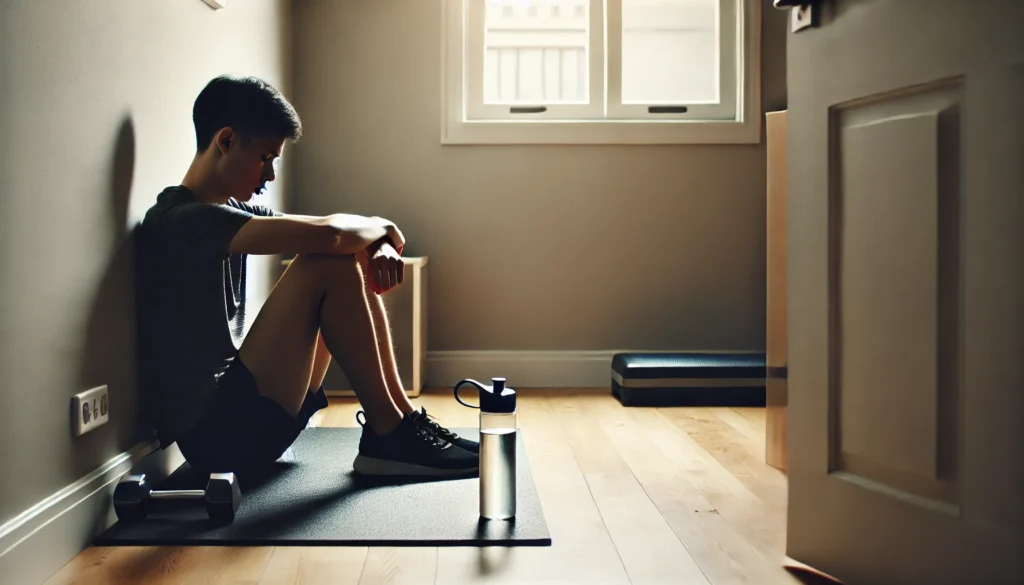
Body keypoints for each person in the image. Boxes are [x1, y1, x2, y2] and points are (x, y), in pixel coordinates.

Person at [135, 74, 478, 480]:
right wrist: (381, 228)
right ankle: (391, 433)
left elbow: (335, 230)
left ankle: (401, 419)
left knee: (334, 255)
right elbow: (332, 235)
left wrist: (378, 235)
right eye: (265, 157)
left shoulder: (230, 214)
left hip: (245, 420)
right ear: (225, 141)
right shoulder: (182, 220)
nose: (270, 176)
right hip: (218, 439)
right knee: (324, 261)